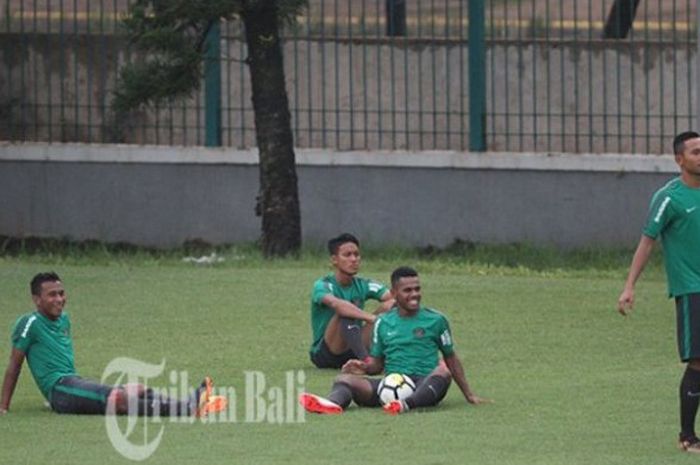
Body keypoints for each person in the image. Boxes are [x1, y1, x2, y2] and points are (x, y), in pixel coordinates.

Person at [0, 272, 226, 416]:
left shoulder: (64, 319)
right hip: (60, 389)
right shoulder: (29, 323)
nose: (59, 299)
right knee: (117, 400)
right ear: (36, 299)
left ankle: (190, 401)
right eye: (52, 295)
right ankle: (187, 408)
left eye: (61, 293)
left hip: (72, 383)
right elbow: (14, 366)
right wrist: (3, 406)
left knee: (137, 388)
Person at [300, 266, 488, 414]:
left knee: (443, 370)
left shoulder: (436, 320)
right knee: (344, 380)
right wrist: (363, 367)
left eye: (417, 289)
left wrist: (469, 395)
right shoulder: (383, 323)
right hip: (391, 383)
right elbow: (377, 364)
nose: (414, 294)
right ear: (395, 293)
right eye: (407, 290)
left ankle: (407, 404)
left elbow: (451, 358)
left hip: (425, 382)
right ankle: (332, 404)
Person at [617, 131, 700, 452]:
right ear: (679, 159)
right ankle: (687, 437)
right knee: (697, 362)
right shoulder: (669, 197)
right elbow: (647, 241)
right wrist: (629, 286)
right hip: (692, 290)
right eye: (695, 152)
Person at [309, 233, 394, 369]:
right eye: (347, 255)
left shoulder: (363, 284)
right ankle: (367, 361)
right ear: (334, 260)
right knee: (344, 311)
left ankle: (401, 355)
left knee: (391, 306)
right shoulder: (323, 285)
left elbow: (393, 298)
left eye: (356, 254)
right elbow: (337, 305)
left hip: (353, 348)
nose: (354, 259)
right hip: (327, 353)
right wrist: (372, 318)